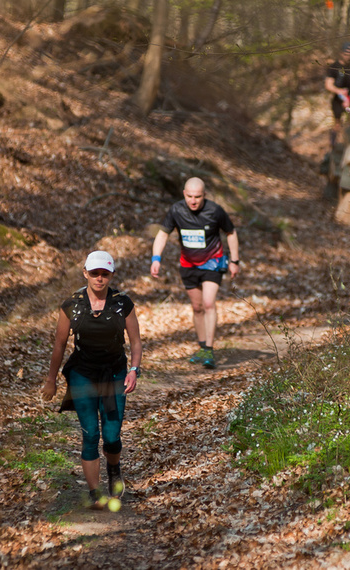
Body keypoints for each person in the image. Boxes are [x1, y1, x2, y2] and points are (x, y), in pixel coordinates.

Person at [42, 250, 142, 509]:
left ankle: (114, 468)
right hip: (82, 374)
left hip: (114, 373)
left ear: (111, 275)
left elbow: (136, 342)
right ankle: (95, 493)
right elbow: (60, 343)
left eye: (104, 274)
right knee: (90, 434)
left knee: (111, 435)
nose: (99, 278)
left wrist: (134, 370)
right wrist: (51, 379)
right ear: (85, 273)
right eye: (94, 273)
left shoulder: (123, 303)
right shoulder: (71, 305)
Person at [150, 177, 240, 370]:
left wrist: (234, 261)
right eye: (190, 196)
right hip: (188, 265)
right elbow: (163, 233)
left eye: (197, 197)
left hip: (213, 263)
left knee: (208, 303)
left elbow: (231, 233)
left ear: (204, 195)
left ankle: (209, 348)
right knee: (197, 307)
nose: (193, 200)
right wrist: (156, 258)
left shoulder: (215, 210)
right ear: (184, 194)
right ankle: (201, 348)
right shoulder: (176, 210)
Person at [325, 41, 350, 148]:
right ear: (341, 53)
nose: (348, 57)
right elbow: (328, 85)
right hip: (338, 99)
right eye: (346, 54)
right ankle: (333, 144)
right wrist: (339, 92)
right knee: (338, 123)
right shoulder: (334, 67)